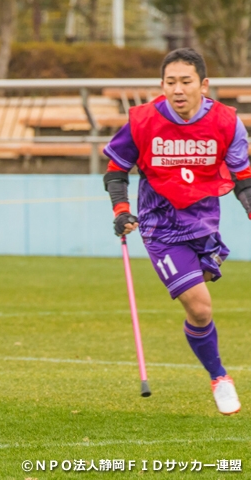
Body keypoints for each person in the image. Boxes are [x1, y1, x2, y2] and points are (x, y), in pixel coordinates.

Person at [103, 48, 251, 415]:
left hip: (204, 224)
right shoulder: (142, 122)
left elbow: (243, 177)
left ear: (203, 84)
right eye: (171, 82)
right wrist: (122, 210)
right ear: (162, 85)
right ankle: (220, 377)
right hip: (160, 227)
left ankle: (206, 352)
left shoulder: (226, 122)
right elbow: (115, 169)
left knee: (197, 311)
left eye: (186, 82)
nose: (178, 90)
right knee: (200, 306)